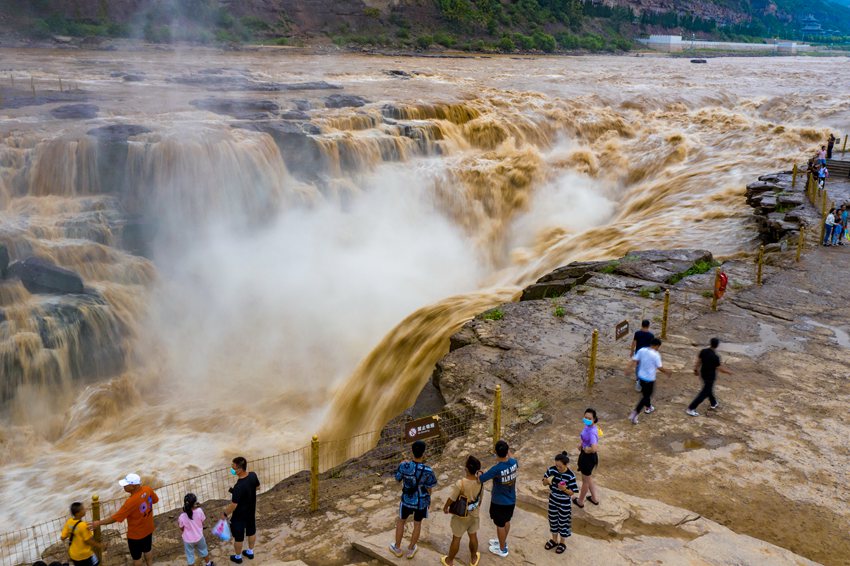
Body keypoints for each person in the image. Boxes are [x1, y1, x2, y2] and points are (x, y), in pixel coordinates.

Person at [89, 473, 158, 566]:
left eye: (126, 485)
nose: (124, 487)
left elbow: (115, 518)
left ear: (133, 486)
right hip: (148, 529)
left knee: (137, 558)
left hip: (135, 535)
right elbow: (155, 500)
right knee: (147, 550)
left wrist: (99, 523)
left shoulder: (130, 502)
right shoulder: (148, 489)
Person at [389, 440, 437, 559]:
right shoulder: (428, 471)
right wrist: (428, 499)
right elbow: (429, 488)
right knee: (417, 524)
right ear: (423, 454)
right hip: (421, 501)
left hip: (406, 500)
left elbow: (397, 479)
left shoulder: (404, 466)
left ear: (412, 452)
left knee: (401, 521)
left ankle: (397, 548)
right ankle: (411, 549)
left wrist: (402, 466)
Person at [479, 439, 518, 558]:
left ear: (496, 452)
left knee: (500, 524)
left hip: (499, 502)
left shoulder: (496, 469)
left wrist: (480, 473)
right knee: (507, 521)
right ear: (507, 451)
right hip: (511, 500)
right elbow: (511, 458)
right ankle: (502, 541)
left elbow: (481, 479)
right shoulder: (514, 462)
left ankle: (502, 549)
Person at [441, 455, 482, 566]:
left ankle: (449, 561)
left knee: (456, 538)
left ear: (467, 469)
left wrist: (446, 507)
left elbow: (452, 498)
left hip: (461, 516)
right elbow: (480, 498)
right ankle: (473, 559)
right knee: (473, 536)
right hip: (474, 514)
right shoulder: (480, 481)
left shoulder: (461, 483)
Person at [222, 457, 260, 564]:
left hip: (239, 515)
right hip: (251, 511)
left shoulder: (238, 487)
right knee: (251, 531)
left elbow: (234, 505)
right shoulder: (253, 475)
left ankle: (238, 557)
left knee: (239, 537)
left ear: (240, 469)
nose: (232, 470)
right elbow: (258, 487)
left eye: (233, 468)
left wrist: (225, 514)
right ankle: (250, 552)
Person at [628, 338, 672, 424]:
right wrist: (667, 372)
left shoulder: (642, 350)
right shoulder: (656, 355)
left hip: (641, 377)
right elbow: (659, 367)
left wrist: (628, 369)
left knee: (645, 394)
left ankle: (649, 407)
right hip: (649, 379)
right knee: (646, 396)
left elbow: (634, 360)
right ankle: (635, 413)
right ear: (657, 346)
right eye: (658, 347)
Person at [542, 452, 578, 555]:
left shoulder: (570, 476)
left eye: (560, 466)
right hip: (553, 500)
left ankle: (562, 543)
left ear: (566, 465)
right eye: (556, 465)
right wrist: (546, 481)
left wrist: (565, 489)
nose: (558, 468)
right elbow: (544, 482)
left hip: (564, 503)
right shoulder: (552, 470)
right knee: (553, 520)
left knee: (563, 523)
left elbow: (572, 492)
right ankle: (554, 540)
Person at [687, 338, 733, 416]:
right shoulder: (715, 357)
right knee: (704, 393)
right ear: (717, 346)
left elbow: (698, 361)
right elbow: (719, 369)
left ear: (710, 343)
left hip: (703, 374)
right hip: (710, 377)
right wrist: (728, 372)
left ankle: (713, 402)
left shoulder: (703, 351)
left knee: (708, 389)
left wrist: (695, 369)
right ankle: (691, 408)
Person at [61, 502, 104, 566]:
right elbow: (88, 541)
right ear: (78, 513)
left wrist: (74, 532)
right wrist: (100, 545)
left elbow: (63, 537)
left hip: (74, 555)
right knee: (96, 563)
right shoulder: (83, 525)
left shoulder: (69, 522)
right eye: (83, 509)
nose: (85, 510)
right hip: (85, 555)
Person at [573, 408, 600, 508]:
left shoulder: (592, 432)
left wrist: (585, 449)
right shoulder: (588, 426)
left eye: (589, 418)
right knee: (588, 478)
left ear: (594, 419)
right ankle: (594, 498)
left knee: (585, 481)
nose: (587, 419)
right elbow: (585, 439)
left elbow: (594, 448)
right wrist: (581, 444)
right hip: (587, 457)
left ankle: (580, 501)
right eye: (585, 417)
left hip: (588, 458)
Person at [179, 493, 214, 566]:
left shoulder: (182, 516)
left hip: (188, 540)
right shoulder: (199, 511)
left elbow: (181, 528)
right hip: (199, 537)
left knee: (190, 556)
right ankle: (208, 564)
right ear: (194, 503)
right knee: (204, 550)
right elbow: (202, 521)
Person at [630, 320, 654, 392]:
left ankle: (638, 380)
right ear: (648, 326)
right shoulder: (651, 335)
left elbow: (634, 343)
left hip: (638, 353)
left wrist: (631, 351)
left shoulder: (637, 333)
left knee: (638, 367)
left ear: (641, 325)